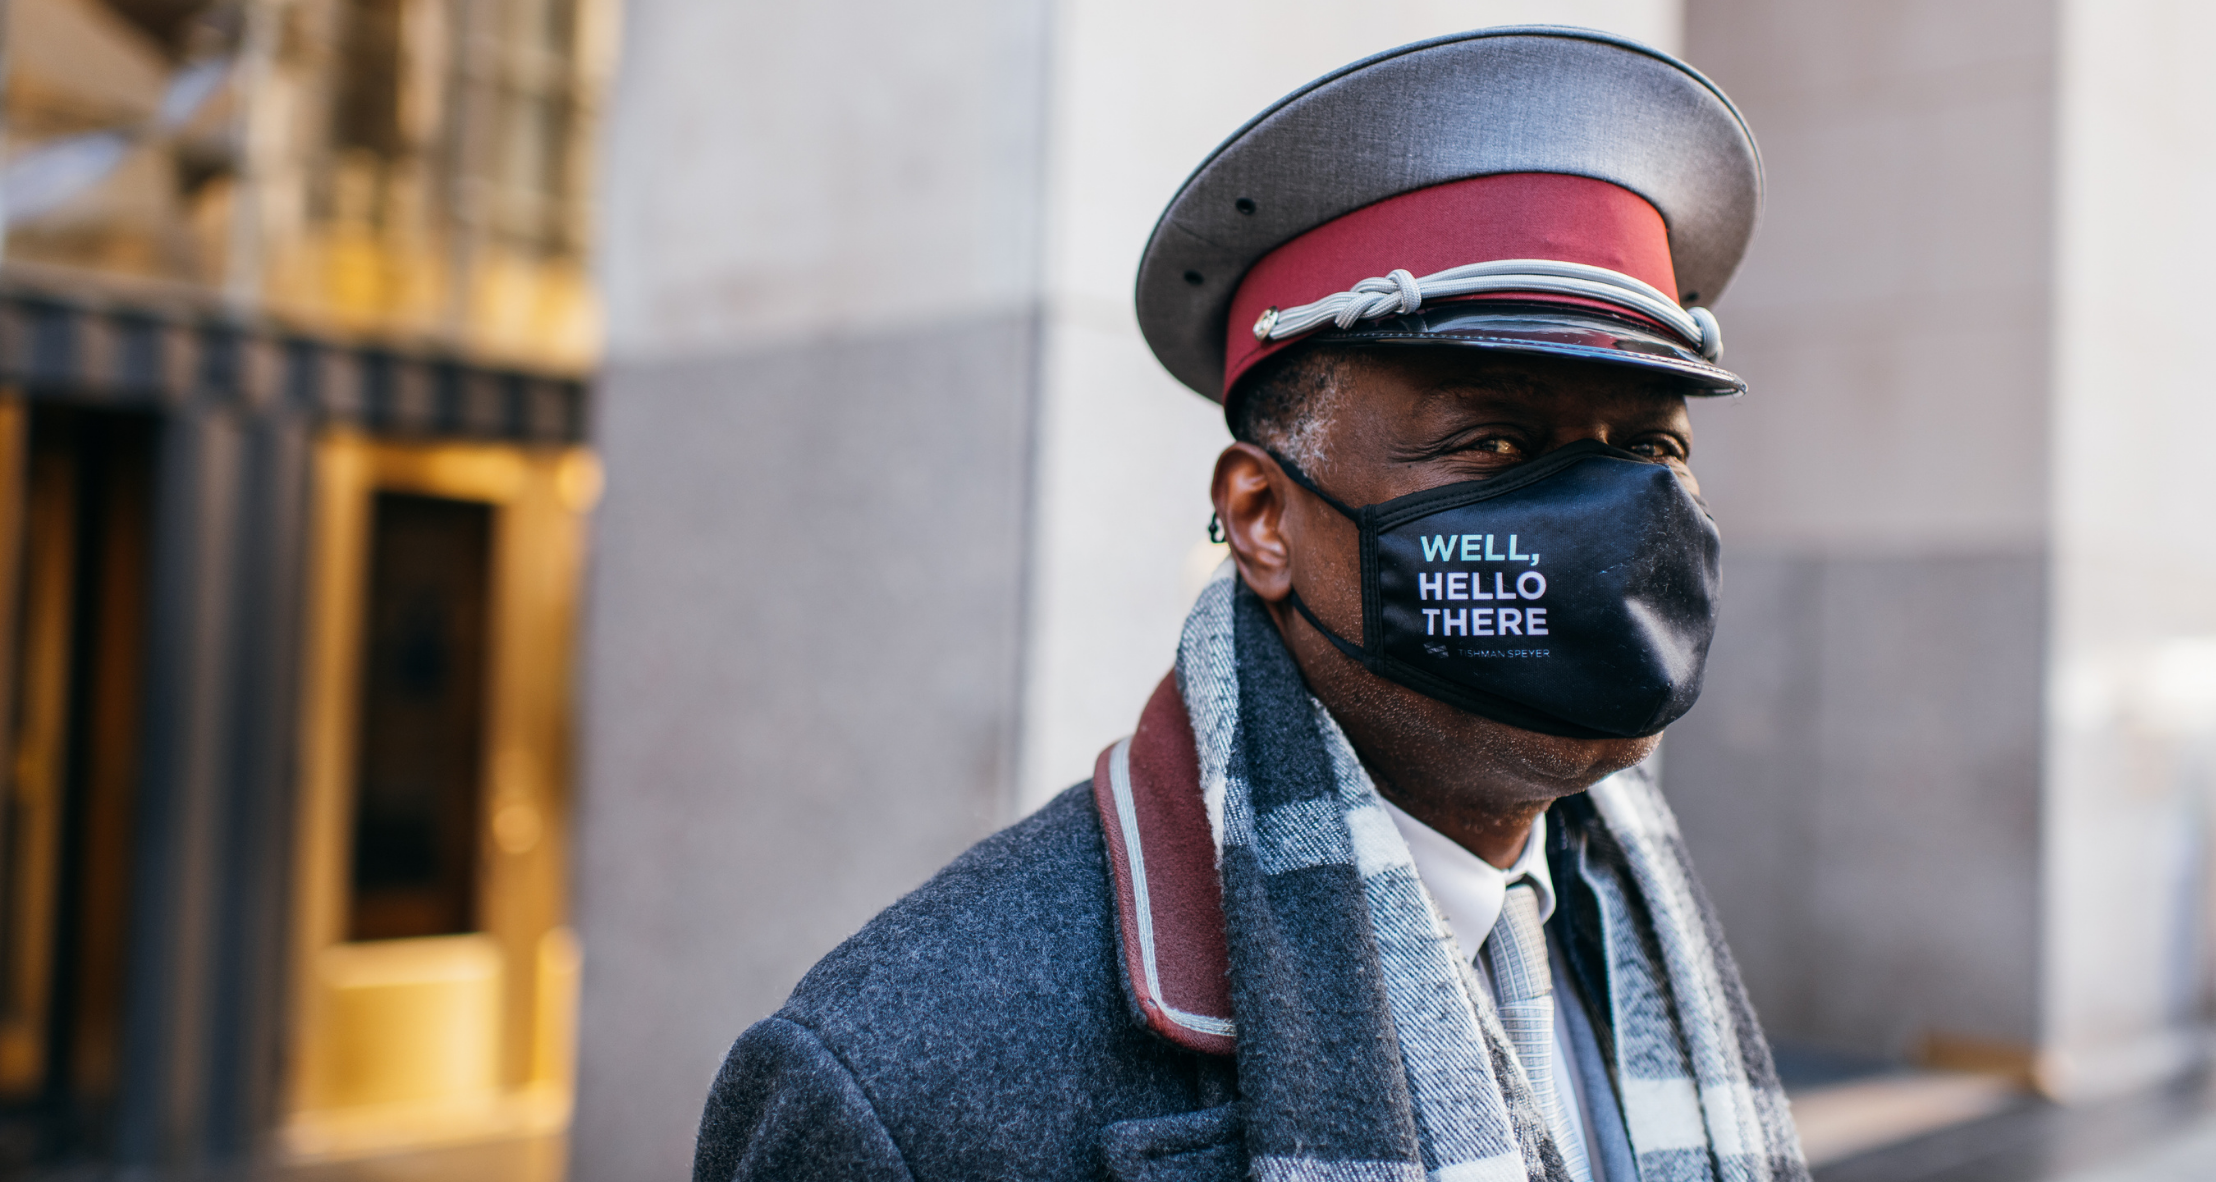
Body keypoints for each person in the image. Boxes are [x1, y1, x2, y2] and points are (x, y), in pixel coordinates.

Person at [694, 27, 1809, 1182]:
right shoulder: (896, 1087)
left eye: (1650, 449)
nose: (1612, 518)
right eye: (1494, 442)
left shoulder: (1636, 924)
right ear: (1263, 517)